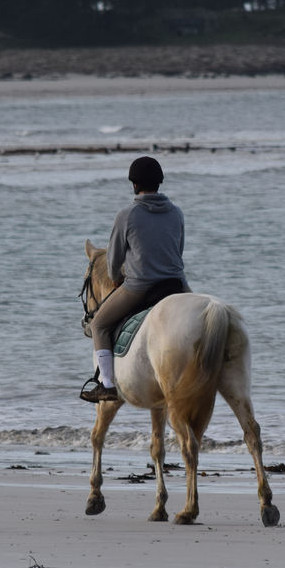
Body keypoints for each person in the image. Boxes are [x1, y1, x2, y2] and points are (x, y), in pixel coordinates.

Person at [80, 156, 188, 403]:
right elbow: (177, 251)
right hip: (176, 284)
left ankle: (106, 385)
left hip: (141, 286)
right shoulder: (177, 213)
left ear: (134, 184)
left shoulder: (126, 215)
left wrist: (118, 279)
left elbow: (113, 261)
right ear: (160, 183)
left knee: (98, 325)